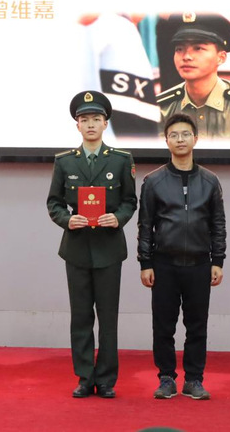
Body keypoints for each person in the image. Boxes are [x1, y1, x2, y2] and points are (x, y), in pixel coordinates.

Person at [46, 91, 137, 399]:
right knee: (81, 317)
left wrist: (118, 218)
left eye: (96, 119)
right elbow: (54, 202)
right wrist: (66, 220)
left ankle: (107, 379)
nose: (90, 125)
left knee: (108, 318)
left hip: (109, 248)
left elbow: (130, 201)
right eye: (84, 120)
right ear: (77, 125)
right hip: (77, 247)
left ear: (105, 123)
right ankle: (85, 377)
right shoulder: (65, 161)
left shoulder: (121, 160)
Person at [137, 113, 226, 401]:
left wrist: (218, 260)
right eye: (174, 135)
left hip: (200, 265)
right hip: (164, 264)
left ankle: (194, 380)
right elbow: (145, 225)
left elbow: (218, 224)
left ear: (195, 139)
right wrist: (145, 263)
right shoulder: (154, 181)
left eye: (185, 134)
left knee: (197, 326)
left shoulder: (210, 181)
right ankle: (166, 378)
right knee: (163, 326)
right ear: (167, 141)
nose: (180, 139)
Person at [156, 12, 230, 140]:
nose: (186, 56)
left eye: (198, 48)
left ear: (221, 57)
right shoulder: (162, 107)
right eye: (179, 49)